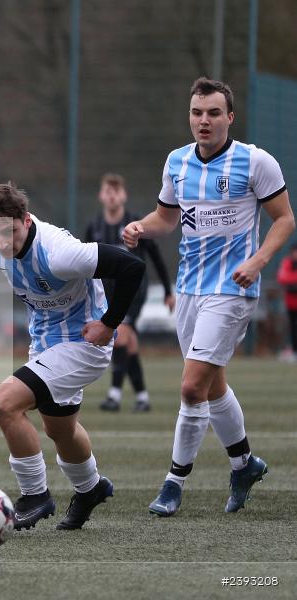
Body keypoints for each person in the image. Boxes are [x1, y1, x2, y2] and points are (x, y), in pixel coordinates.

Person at [0, 182, 145, 530]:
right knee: (60, 429)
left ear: (25, 221)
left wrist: (109, 324)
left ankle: (35, 495)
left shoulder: (60, 252)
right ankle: (91, 488)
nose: (1, 243)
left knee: (4, 402)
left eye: (8, 233)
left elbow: (132, 267)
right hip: (45, 342)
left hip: (86, 344)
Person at [123, 77, 295, 516]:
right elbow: (165, 218)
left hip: (232, 290)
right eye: (198, 113)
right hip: (189, 290)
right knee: (213, 386)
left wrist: (257, 262)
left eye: (214, 113)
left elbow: (284, 221)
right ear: (190, 116)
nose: (205, 120)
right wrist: (141, 227)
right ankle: (244, 464)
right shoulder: (177, 162)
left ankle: (174, 482)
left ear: (230, 118)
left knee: (191, 387)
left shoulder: (255, 162)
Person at [84, 173, 174, 413]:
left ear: (124, 195)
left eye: (116, 190)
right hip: (106, 293)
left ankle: (113, 395)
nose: (112, 195)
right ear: (101, 196)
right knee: (129, 343)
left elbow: (155, 257)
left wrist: (167, 290)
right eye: (107, 191)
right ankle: (142, 397)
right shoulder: (94, 228)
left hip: (134, 293)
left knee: (120, 336)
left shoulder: (135, 224)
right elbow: (83, 262)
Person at [276, 243, 297, 362]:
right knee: (293, 329)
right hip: (291, 304)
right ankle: (294, 352)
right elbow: (283, 277)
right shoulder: (288, 262)